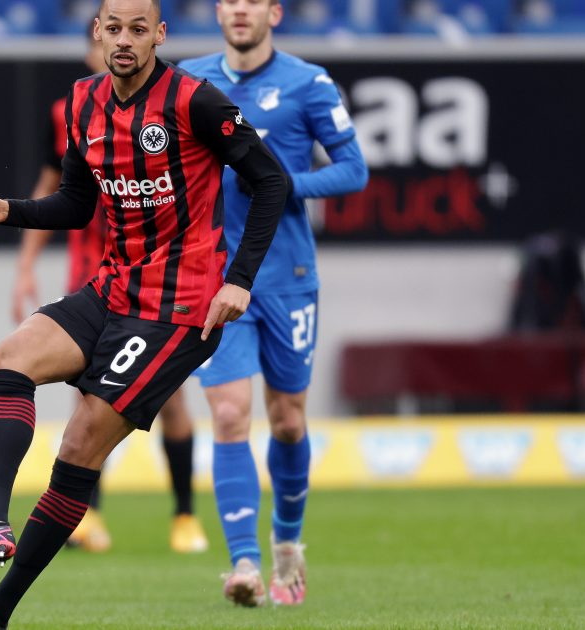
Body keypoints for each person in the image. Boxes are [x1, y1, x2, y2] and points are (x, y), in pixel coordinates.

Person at [0, 0, 290, 626]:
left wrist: (238, 280)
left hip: (179, 308)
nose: (126, 40)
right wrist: (11, 209)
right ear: (98, 34)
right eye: (114, 28)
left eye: (139, 29)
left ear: (159, 35)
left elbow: (272, 181)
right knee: (8, 358)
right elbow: (79, 204)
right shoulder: (83, 102)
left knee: (80, 445)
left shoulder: (197, 101)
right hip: (112, 288)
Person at [179, 0, 368, 608]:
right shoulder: (187, 80)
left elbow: (353, 170)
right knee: (230, 414)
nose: (239, 10)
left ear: (274, 13)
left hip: (286, 275)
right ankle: (244, 564)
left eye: (252, 1)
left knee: (287, 419)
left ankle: (288, 546)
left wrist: (284, 185)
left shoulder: (308, 83)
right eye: (229, 0)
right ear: (218, 11)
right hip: (215, 277)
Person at [11, 28, 206, 556]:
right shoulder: (72, 108)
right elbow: (54, 186)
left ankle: (185, 513)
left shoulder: (173, 109)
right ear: (91, 46)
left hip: (157, 278)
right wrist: (25, 265)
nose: (116, 49)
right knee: (91, 401)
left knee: (170, 398)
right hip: (93, 270)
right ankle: (88, 514)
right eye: (107, 37)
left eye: (131, 35)